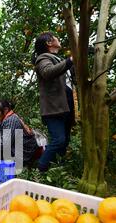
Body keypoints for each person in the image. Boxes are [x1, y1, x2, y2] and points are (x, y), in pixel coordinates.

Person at [33, 32, 76, 172]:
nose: (59, 39)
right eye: (56, 37)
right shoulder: (43, 58)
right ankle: (40, 168)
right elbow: (47, 72)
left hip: (66, 105)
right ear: (49, 43)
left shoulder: (57, 59)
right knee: (59, 140)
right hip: (54, 108)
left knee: (64, 142)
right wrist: (70, 60)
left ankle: (56, 171)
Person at [0, 99, 42, 167]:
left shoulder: (11, 120)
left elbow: (5, 144)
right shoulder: (7, 119)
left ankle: (5, 172)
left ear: (5, 110)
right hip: (17, 148)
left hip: (25, 152)